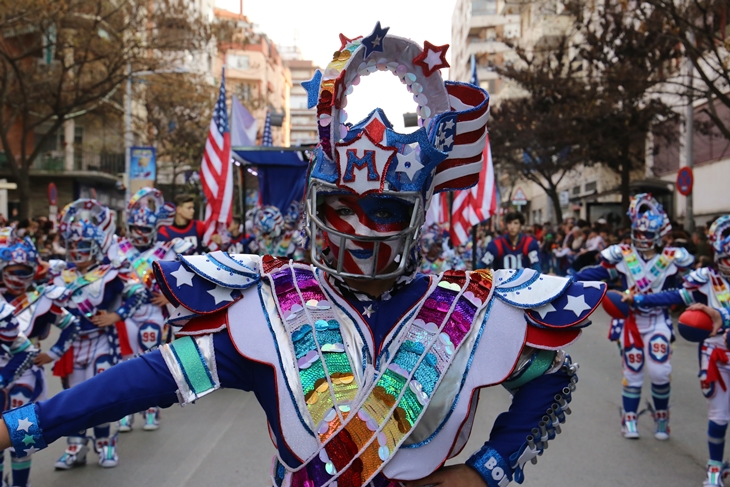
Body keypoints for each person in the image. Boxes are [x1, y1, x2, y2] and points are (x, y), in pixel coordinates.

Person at [0, 28, 606, 487]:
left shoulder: (472, 308)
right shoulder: (268, 303)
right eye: (343, 205)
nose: (363, 227)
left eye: (385, 210)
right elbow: (149, 378)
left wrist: (487, 469)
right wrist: (21, 425)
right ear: (318, 203)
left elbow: (552, 380)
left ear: (416, 213)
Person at [573, 193, 694, 440]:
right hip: (631, 322)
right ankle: (629, 417)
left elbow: (681, 294)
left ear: (660, 233)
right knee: (632, 371)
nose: (642, 238)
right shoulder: (622, 254)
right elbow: (597, 273)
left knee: (660, 371)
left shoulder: (673, 258)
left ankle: (662, 416)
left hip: (658, 320)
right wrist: (568, 281)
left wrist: (644, 299)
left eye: (647, 234)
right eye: (638, 232)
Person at [623, 215, 730, 486]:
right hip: (717, 358)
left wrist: (721, 316)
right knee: (719, 415)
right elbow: (675, 296)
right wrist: (640, 298)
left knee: (659, 372)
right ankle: (714, 468)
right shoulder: (705, 278)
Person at [51, 199, 147, 469]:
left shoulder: (109, 273)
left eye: (82, 245)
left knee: (100, 395)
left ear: (94, 247)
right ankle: (74, 448)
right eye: (72, 245)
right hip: (71, 345)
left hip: (101, 342)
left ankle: (105, 445)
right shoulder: (60, 276)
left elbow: (137, 293)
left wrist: (116, 316)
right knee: (71, 398)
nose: (77, 251)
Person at [111, 188, 193, 432]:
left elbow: (182, 277)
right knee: (125, 362)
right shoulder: (117, 248)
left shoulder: (167, 249)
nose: (139, 234)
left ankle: (151, 409)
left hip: (153, 313)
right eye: (135, 228)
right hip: (125, 313)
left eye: (145, 229)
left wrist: (168, 298)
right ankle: (126, 411)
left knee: (150, 361)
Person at [0, 230, 61, 487]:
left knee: (22, 437)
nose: (17, 277)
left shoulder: (41, 297)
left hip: (25, 374)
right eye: (12, 270)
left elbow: (71, 324)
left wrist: (53, 353)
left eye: (24, 270)